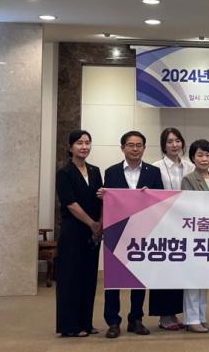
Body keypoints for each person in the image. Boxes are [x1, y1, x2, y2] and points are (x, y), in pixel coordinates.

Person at [103, 131, 163, 339]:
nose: (135, 149)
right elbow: (109, 200)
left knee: (139, 277)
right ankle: (113, 321)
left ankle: (136, 319)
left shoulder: (153, 172)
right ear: (123, 148)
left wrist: (150, 195)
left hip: (143, 230)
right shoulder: (111, 172)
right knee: (113, 279)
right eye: (130, 145)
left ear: (144, 148)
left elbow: (161, 200)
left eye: (139, 145)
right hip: (116, 230)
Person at [55, 130, 103, 337]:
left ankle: (86, 322)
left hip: (93, 233)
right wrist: (92, 223)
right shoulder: (64, 173)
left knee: (88, 277)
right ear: (70, 147)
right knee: (71, 278)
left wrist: (100, 224)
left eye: (87, 143)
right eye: (79, 143)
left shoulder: (95, 171)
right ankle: (70, 326)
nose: (84, 147)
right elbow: (71, 204)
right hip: (73, 231)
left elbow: (101, 198)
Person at [150, 127, 194, 331]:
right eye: (169, 141)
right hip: (162, 225)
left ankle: (174, 312)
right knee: (162, 271)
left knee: (179, 271)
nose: (174, 145)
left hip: (185, 227)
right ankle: (164, 315)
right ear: (163, 146)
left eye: (177, 140)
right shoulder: (155, 168)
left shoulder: (191, 167)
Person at [181, 139, 209, 333]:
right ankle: (192, 319)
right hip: (195, 234)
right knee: (192, 278)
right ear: (192, 158)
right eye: (200, 155)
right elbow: (188, 207)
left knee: (204, 278)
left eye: (208, 155)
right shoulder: (188, 179)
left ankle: (202, 317)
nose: (204, 159)